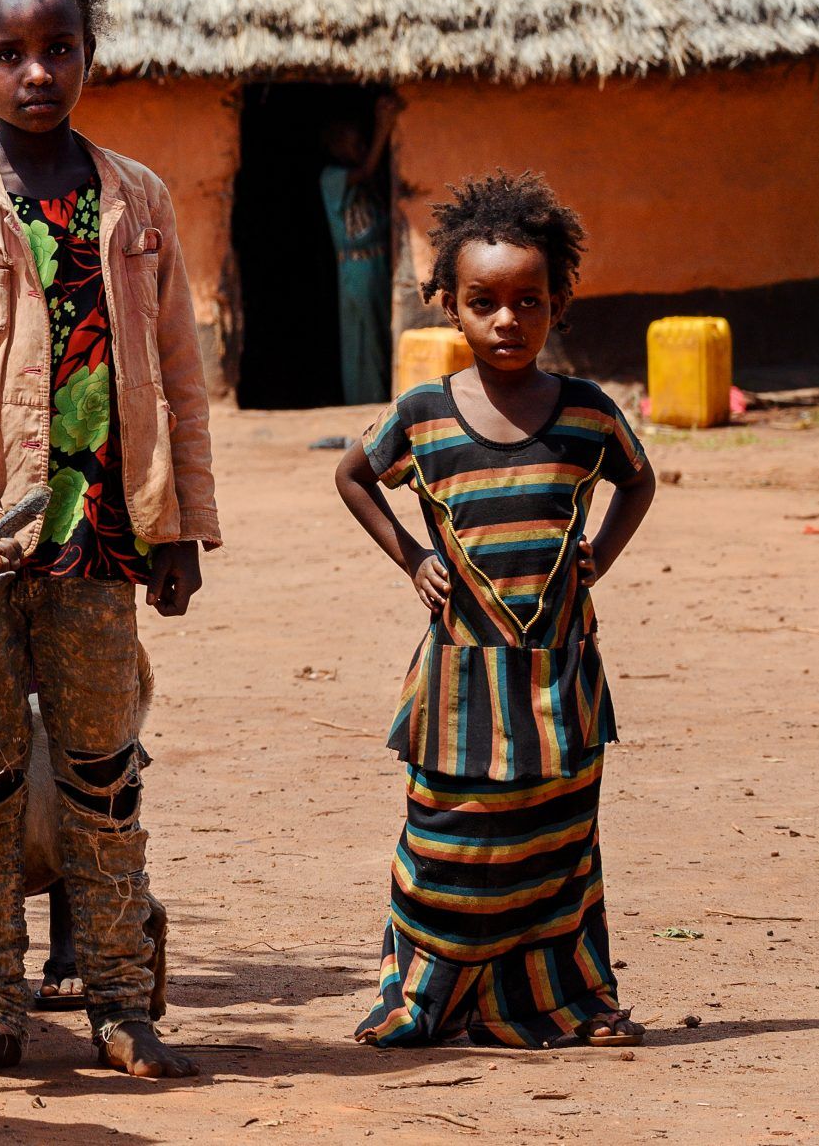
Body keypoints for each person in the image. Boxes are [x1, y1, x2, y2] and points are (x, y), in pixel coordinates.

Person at [0, 0, 218, 1081]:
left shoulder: (137, 201)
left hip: (109, 537)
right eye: (9, 53)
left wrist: (182, 527)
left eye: (58, 48)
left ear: (87, 55)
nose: (37, 72)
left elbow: (179, 370)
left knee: (102, 770)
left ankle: (124, 1001)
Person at [333, 171, 654, 1051]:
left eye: (529, 301)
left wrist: (603, 554)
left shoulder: (589, 415)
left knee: (556, 845)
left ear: (559, 302)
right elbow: (353, 476)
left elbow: (639, 479)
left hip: (558, 682)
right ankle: (423, 996)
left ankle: (559, 1000)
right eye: (484, 302)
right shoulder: (425, 415)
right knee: (448, 840)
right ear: (448, 304)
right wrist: (414, 559)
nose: (507, 320)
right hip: (459, 688)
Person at [321, 96, 400, 404]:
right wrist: (384, 127)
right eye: (354, 144)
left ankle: (384, 396)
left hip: (378, 262)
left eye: (362, 143)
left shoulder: (369, 184)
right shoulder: (331, 177)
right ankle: (364, 402)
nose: (360, 149)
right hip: (356, 267)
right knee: (362, 338)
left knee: (380, 333)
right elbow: (366, 170)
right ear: (337, 146)